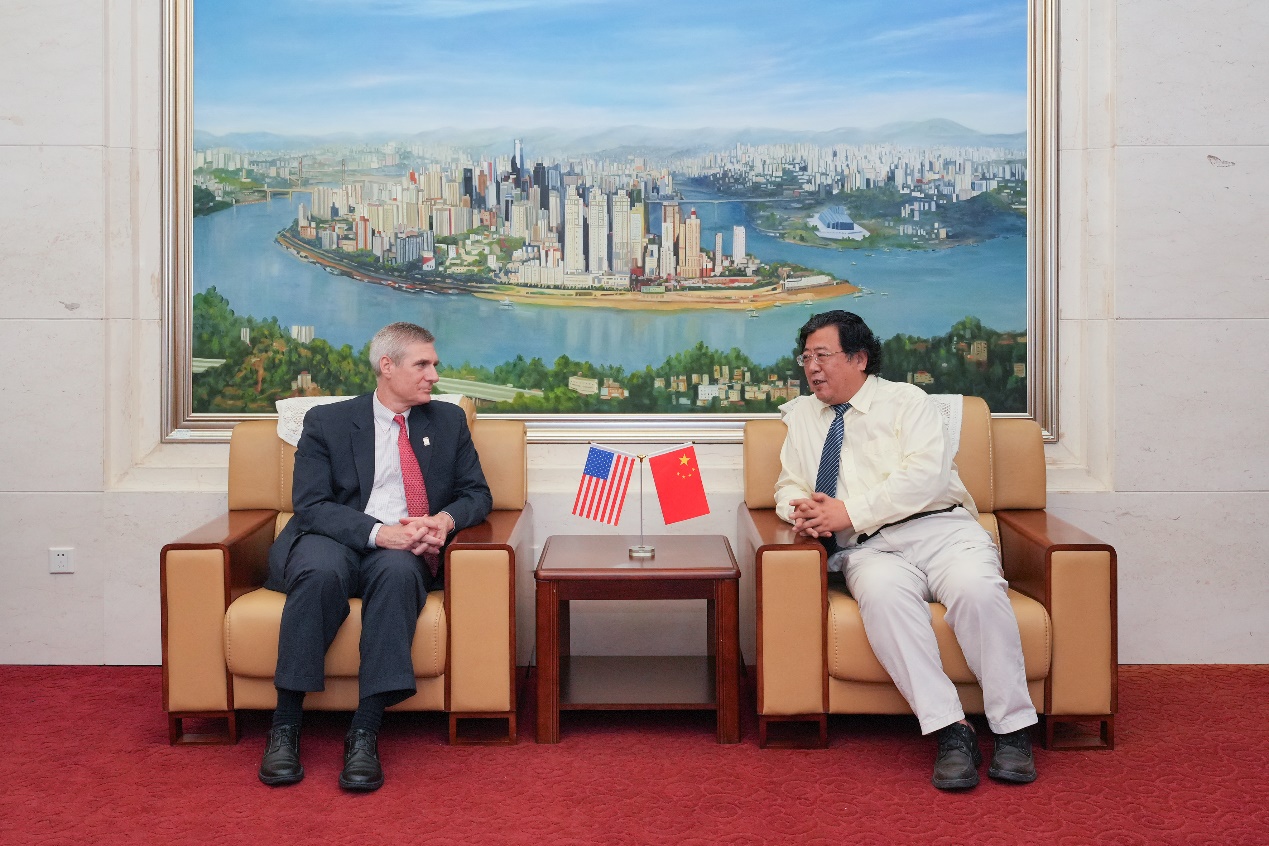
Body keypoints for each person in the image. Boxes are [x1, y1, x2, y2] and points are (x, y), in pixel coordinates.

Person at [775, 310, 1037, 790]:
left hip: (941, 530)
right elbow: (788, 482)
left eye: (822, 355)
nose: (812, 367)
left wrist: (849, 511)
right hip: (871, 550)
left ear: (859, 358)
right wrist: (800, 510)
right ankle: (951, 730)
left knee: (978, 591)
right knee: (883, 599)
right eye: (806, 357)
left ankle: (1012, 729)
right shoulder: (803, 417)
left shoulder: (907, 402)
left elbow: (925, 477)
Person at [257, 321, 492, 791]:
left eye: (434, 365)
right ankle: (285, 725)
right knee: (320, 574)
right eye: (422, 365)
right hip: (334, 536)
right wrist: (379, 533)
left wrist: (443, 521)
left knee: (400, 574)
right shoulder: (328, 422)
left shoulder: (448, 422)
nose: (433, 375)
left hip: (407, 546)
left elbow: (477, 494)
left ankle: (364, 731)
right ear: (387, 366)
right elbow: (311, 504)